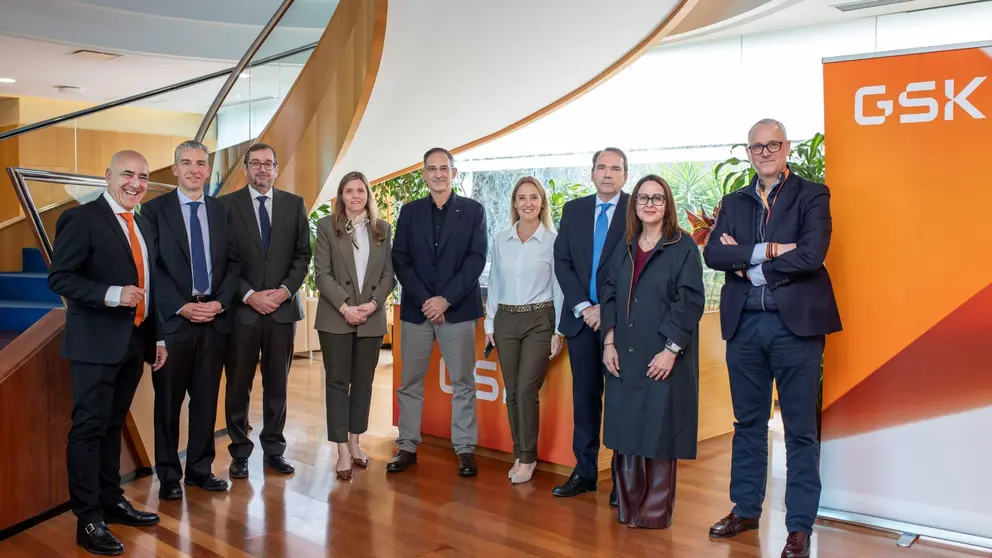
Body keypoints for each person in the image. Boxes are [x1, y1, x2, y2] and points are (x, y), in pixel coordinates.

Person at [703, 118, 842, 558]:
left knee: (799, 431)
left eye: (773, 145)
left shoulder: (813, 195)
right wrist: (771, 250)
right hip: (744, 325)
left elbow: (812, 254)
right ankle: (745, 510)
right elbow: (714, 254)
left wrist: (747, 263)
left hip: (794, 326)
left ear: (787, 148)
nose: (764, 152)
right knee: (748, 424)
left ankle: (798, 528)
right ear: (749, 152)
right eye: (756, 147)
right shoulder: (734, 200)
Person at [48, 150, 167, 556]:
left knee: (114, 423)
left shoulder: (144, 220)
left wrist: (158, 340)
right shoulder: (81, 219)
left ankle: (111, 500)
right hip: (95, 343)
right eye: (127, 175)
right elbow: (60, 278)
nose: (136, 183)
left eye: (144, 176)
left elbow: (151, 283)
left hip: (134, 342)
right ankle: (88, 519)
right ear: (108, 176)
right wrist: (112, 295)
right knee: (89, 429)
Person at [600, 175, 704, 528]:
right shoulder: (626, 245)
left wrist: (671, 350)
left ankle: (654, 513)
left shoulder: (683, 246)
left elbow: (689, 302)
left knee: (659, 433)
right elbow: (610, 293)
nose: (649, 204)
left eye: (657, 199)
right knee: (626, 432)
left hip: (662, 354)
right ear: (634, 205)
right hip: (623, 354)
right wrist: (608, 341)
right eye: (643, 198)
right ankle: (628, 510)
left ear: (667, 205)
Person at [141, 140, 240, 499]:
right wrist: (181, 306)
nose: (195, 170)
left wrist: (220, 303)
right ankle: (169, 476)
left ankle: (199, 470)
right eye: (187, 163)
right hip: (174, 322)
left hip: (213, 321)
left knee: (205, 401)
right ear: (175, 168)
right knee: (167, 404)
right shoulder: (153, 212)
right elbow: (152, 268)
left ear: (208, 169)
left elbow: (233, 264)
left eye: (201, 163)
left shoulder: (221, 210)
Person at [389, 147, 487, 477]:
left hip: (457, 311)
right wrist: (428, 301)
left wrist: (445, 299)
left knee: (463, 382)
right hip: (418, 312)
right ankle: (406, 446)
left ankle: (464, 450)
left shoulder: (474, 210)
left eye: (444, 168)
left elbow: (476, 259)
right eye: (431, 169)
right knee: (410, 382)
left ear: (454, 173)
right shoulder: (409, 212)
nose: (438, 174)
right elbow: (400, 260)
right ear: (424, 174)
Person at [220, 142, 312, 478]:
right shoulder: (226, 206)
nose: (262, 169)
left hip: (282, 311)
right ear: (246, 168)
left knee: (278, 385)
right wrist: (248, 295)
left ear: (276, 169)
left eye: (268, 164)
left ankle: (274, 450)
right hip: (242, 312)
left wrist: (284, 291)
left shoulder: (294, 204)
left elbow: (304, 256)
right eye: (255, 163)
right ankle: (240, 452)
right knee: (238, 385)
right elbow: (223, 260)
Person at [552, 148, 629, 504]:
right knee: (584, 398)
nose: (608, 173)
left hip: (620, 323)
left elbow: (635, 268)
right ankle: (584, 471)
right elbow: (563, 261)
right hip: (582, 320)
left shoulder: (636, 210)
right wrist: (584, 307)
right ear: (592, 173)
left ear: (625, 176)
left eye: (615, 168)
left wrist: (606, 309)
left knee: (619, 399)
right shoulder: (574, 210)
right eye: (602, 167)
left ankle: (620, 478)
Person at [312, 171, 396, 481]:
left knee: (363, 384)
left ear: (368, 195)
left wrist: (373, 305)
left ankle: (355, 443)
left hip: (371, 318)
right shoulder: (326, 227)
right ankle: (341, 451)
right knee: (337, 383)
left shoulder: (382, 229)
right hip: (336, 317)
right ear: (341, 195)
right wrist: (346, 307)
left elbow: (389, 275)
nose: (356, 196)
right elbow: (321, 274)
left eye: (361, 190)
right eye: (350, 190)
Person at [484, 176, 564, 484]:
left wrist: (559, 331)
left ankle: (528, 458)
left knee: (527, 389)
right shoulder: (502, 239)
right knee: (512, 391)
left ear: (542, 202)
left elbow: (559, 287)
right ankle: (519, 454)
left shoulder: (553, 241)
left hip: (539, 320)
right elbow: (495, 284)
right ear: (514, 204)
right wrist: (490, 322)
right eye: (521, 198)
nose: (527, 203)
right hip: (505, 319)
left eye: (533, 197)